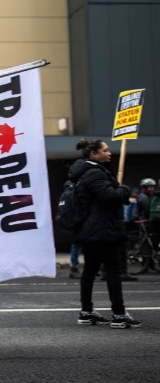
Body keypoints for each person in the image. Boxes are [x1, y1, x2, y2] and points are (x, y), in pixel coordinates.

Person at [71, 138, 141, 328]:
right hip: (103, 230)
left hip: (92, 230)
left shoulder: (83, 172)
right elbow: (110, 197)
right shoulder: (95, 173)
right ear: (94, 154)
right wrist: (125, 189)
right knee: (113, 270)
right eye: (105, 150)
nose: (109, 153)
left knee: (90, 270)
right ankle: (119, 314)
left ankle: (86, 311)